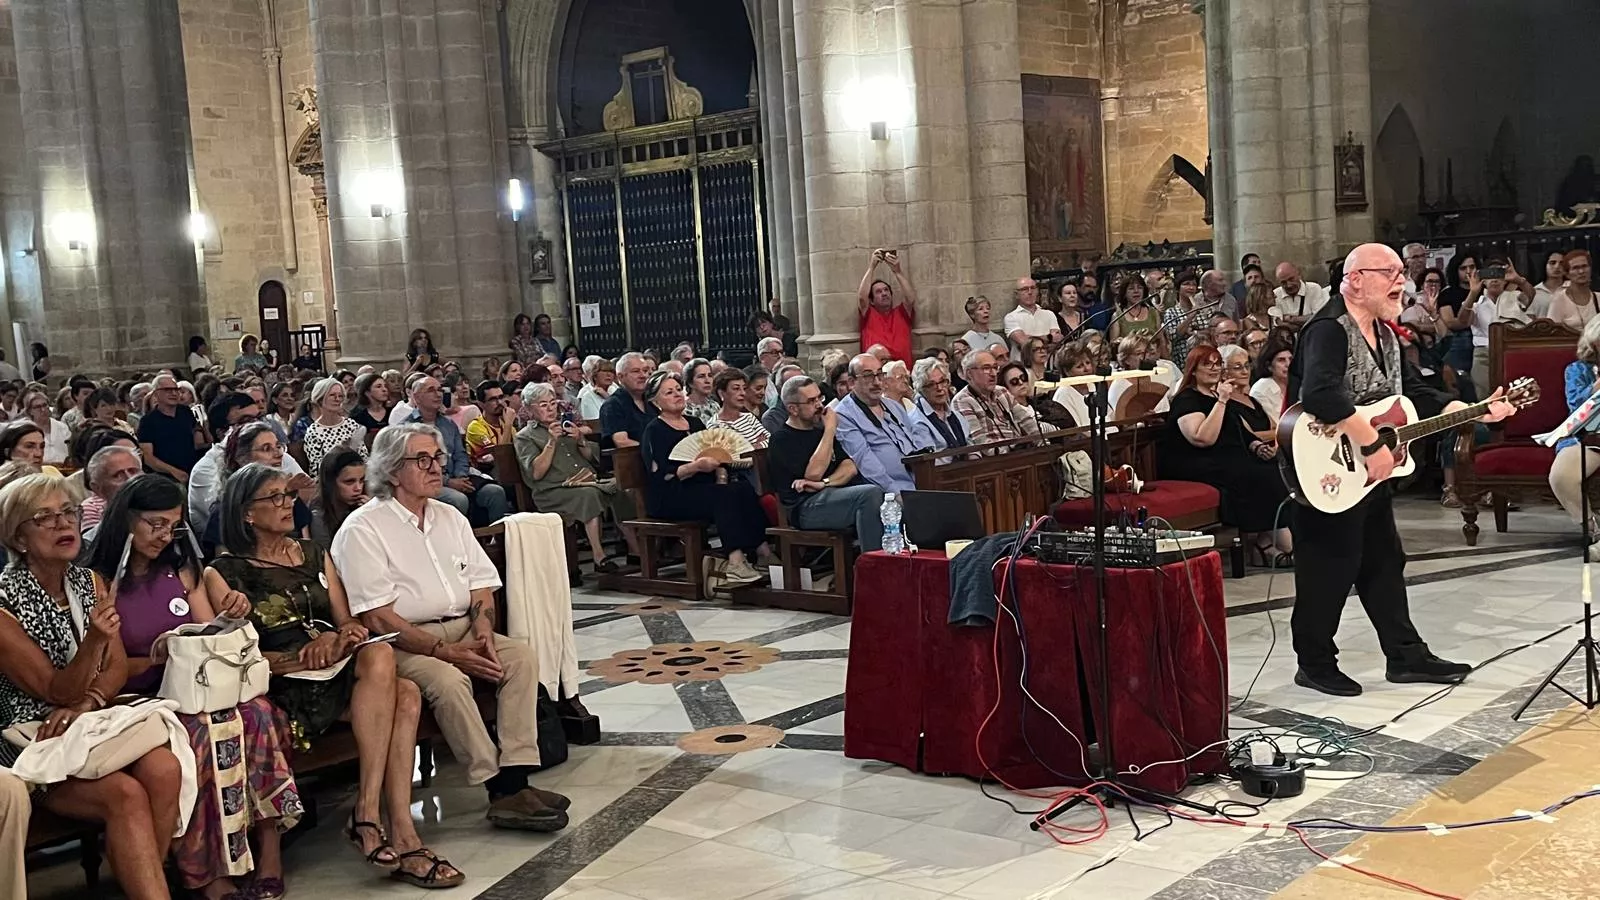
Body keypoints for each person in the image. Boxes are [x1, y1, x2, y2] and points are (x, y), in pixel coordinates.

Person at [209, 463, 462, 888]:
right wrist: (304, 659)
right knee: (401, 687)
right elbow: (238, 655)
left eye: (288, 495)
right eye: (273, 498)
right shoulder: (224, 572)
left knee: (395, 677)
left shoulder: (312, 553)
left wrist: (339, 641)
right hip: (288, 685)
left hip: (341, 669)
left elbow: (349, 624)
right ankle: (383, 824)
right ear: (246, 513)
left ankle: (385, 823)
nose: (287, 504)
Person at [1289, 243, 1518, 696]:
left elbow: (1412, 393)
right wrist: (1372, 441)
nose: (1401, 281)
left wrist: (1472, 409)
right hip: (1326, 467)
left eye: (1401, 272)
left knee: (1384, 563)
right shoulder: (1327, 329)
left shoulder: (1388, 335)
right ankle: (1314, 663)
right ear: (1355, 279)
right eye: (1388, 272)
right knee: (1329, 567)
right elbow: (1320, 393)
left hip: (1370, 472)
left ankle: (1406, 655)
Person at [334, 424, 571, 832]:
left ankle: (517, 777)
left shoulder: (449, 516)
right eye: (421, 459)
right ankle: (498, 788)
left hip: (462, 626)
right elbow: (377, 616)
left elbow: (481, 583)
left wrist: (483, 631)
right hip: (401, 642)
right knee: (448, 681)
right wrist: (442, 651)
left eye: (437, 457)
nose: (435, 467)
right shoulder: (364, 528)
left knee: (519, 658)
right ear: (392, 471)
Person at [90, 475, 303, 900]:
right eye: (153, 524)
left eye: (172, 525)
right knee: (201, 734)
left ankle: (268, 851)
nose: (163, 535)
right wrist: (161, 656)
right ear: (127, 520)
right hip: (145, 697)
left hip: (196, 686)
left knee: (258, 713)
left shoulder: (179, 568)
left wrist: (233, 614)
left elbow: (209, 634)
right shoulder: (100, 580)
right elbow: (108, 668)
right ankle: (206, 871)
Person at [0, 473, 184, 900]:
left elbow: (116, 668)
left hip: (88, 722)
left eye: (67, 512)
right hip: (32, 738)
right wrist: (95, 641)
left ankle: (147, 884)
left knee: (165, 769)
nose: (63, 524)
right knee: (124, 795)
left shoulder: (89, 582)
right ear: (18, 536)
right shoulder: (4, 603)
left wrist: (91, 701)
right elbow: (55, 691)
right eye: (44, 518)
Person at [1160, 344, 1291, 565]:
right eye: (1207, 364)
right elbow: (1202, 438)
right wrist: (1221, 401)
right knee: (1257, 475)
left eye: (1217, 363)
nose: (1214, 368)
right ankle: (1273, 545)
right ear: (1193, 370)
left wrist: (1258, 446)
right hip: (1196, 463)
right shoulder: (1187, 399)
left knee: (1275, 468)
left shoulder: (1216, 395)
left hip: (1224, 458)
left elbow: (1240, 432)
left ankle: (1267, 540)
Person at [638, 373, 770, 584]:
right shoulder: (654, 430)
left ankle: (762, 551)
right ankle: (735, 561)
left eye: (678, 390)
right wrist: (695, 466)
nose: (677, 395)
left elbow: (715, 453)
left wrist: (720, 473)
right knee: (722, 497)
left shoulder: (695, 422)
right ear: (656, 401)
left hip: (701, 487)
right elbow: (661, 474)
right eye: (669, 392)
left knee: (742, 488)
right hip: (671, 494)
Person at [514, 383, 636, 573]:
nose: (550, 408)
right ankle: (599, 556)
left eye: (553, 403)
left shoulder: (566, 426)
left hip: (586, 480)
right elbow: (536, 473)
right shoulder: (525, 436)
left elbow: (592, 459)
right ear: (530, 409)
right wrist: (551, 442)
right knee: (588, 495)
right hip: (553, 490)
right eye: (543, 404)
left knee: (619, 488)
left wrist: (580, 440)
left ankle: (635, 551)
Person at [768, 375, 885, 550]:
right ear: (792, 409)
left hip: (831, 495)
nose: (820, 405)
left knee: (887, 496)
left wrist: (824, 484)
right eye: (811, 401)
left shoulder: (818, 432)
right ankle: (874, 564)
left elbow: (850, 468)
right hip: (804, 508)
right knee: (869, 495)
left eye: (819, 398)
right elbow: (813, 474)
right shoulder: (781, 439)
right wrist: (830, 429)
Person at [404, 377, 508, 526]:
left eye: (440, 390)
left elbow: (460, 454)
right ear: (416, 397)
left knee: (495, 492)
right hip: (428, 481)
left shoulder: (448, 424)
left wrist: (461, 476)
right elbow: (413, 467)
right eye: (431, 390)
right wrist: (449, 482)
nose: (438, 394)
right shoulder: (407, 428)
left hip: (458, 476)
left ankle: (498, 543)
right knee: (458, 499)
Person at [835, 353, 939, 493]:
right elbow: (865, 463)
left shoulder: (893, 406)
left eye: (880, 375)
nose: (877, 382)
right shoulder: (844, 415)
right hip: (889, 492)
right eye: (868, 376)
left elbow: (915, 440)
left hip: (920, 482)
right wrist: (896, 494)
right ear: (852, 382)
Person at [1549, 316, 1600, 543]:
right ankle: (1593, 528)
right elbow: (1575, 407)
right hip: (1587, 436)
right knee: (1562, 476)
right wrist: (1597, 386)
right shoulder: (1577, 370)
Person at [953, 349, 1040, 448]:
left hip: (1020, 452)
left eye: (995, 367)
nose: (993, 373)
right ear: (969, 374)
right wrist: (1013, 450)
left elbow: (1027, 422)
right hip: (995, 460)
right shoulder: (962, 401)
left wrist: (1043, 444)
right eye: (986, 368)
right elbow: (980, 443)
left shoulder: (1002, 392)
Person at [138, 373, 206, 482]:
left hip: (192, 472)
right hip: (165, 478)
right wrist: (174, 471)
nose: (173, 393)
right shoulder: (148, 421)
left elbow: (196, 439)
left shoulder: (185, 412)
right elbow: (149, 458)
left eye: (176, 389)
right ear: (156, 394)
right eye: (168, 390)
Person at [1437, 251, 1482, 403]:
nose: (1469, 272)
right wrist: (1468, 320)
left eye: (1472, 267)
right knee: (1463, 386)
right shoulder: (1448, 293)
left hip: (1485, 339)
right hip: (1460, 341)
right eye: (1463, 268)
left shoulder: (1486, 290)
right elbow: (1451, 322)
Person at [857, 248, 918, 362]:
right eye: (878, 292)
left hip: (901, 371)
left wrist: (897, 271)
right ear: (872, 301)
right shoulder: (869, 313)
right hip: (877, 373)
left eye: (886, 290)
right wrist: (871, 267)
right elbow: (862, 298)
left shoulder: (901, 312)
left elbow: (910, 298)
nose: (884, 293)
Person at [303, 377, 368, 476]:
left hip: (357, 474)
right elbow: (316, 468)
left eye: (340, 396)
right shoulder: (314, 431)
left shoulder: (351, 425)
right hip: (330, 479)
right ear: (320, 399)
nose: (337, 399)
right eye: (332, 395)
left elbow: (363, 456)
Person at [81, 444, 144, 535]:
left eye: (133, 471)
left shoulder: (166, 506)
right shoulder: (92, 540)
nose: (130, 479)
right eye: (117, 475)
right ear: (97, 488)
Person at [311, 449, 367, 549]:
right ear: (331, 483)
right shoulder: (318, 516)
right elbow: (328, 559)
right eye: (349, 482)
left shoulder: (364, 505)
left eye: (361, 480)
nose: (358, 488)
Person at [598, 352, 655, 449]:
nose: (643, 376)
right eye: (636, 371)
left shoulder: (651, 400)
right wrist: (655, 451)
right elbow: (621, 442)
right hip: (629, 460)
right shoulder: (613, 405)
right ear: (620, 377)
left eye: (645, 371)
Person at [912, 357, 969, 450]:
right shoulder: (917, 421)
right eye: (931, 384)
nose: (939, 388)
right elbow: (928, 461)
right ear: (921, 389)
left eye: (942, 381)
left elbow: (970, 445)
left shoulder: (956, 415)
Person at [1003, 277, 1062, 361]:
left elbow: (1057, 341)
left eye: (1033, 288)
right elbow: (1024, 341)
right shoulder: (1011, 317)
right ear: (1017, 294)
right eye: (1025, 289)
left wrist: (1032, 341)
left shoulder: (1049, 314)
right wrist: (1049, 338)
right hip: (1023, 368)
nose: (1030, 292)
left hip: (1048, 368)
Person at [710, 368, 770, 448]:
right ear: (721, 393)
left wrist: (751, 446)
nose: (742, 393)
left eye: (744, 388)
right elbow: (733, 454)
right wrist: (757, 445)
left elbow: (771, 441)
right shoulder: (715, 424)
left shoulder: (749, 417)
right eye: (736, 389)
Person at [464, 380, 514, 469]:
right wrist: (508, 425)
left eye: (501, 397)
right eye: (493, 399)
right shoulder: (475, 427)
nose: (499, 403)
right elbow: (500, 460)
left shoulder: (506, 423)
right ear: (481, 404)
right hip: (487, 475)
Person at [997, 362, 1052, 435]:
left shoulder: (1041, 403)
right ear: (1005, 387)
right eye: (1014, 381)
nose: (1021, 382)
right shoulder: (1009, 416)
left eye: (1023, 377)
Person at [1270, 262, 1330, 327]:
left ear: (1299, 274)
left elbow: (1320, 317)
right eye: (1283, 282)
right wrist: (1306, 319)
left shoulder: (1313, 289)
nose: (1289, 285)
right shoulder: (1274, 295)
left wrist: (1290, 319)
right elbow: (1278, 323)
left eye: (1291, 279)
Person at [19, 390, 70, 465]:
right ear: (29, 411)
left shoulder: (62, 427)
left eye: (44, 405)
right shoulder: (25, 430)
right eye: (37, 407)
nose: (43, 410)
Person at [1550, 249, 1598, 330]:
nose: (1581, 271)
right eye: (1575, 268)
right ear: (1567, 274)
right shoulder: (1559, 300)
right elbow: (1552, 332)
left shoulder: (1598, 298)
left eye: (1584, 266)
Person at [1249, 338, 1294, 423]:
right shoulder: (1261, 389)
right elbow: (1274, 426)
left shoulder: (1298, 384)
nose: (1288, 364)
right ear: (1269, 365)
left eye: (1291, 359)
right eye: (1281, 360)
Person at [1110, 275, 1160, 341]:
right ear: (1124, 293)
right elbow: (1113, 344)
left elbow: (1161, 340)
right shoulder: (1117, 316)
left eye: (1139, 288)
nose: (1136, 291)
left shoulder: (1153, 313)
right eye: (1131, 288)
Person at [351, 371, 390, 436]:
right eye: (378, 386)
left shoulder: (392, 412)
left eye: (385, 386)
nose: (384, 389)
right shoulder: (357, 416)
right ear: (367, 392)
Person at [1533, 249, 1568, 314]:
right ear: (1545, 265)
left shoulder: (1572, 288)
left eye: (1561, 263)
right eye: (1552, 263)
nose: (1557, 266)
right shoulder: (1535, 292)